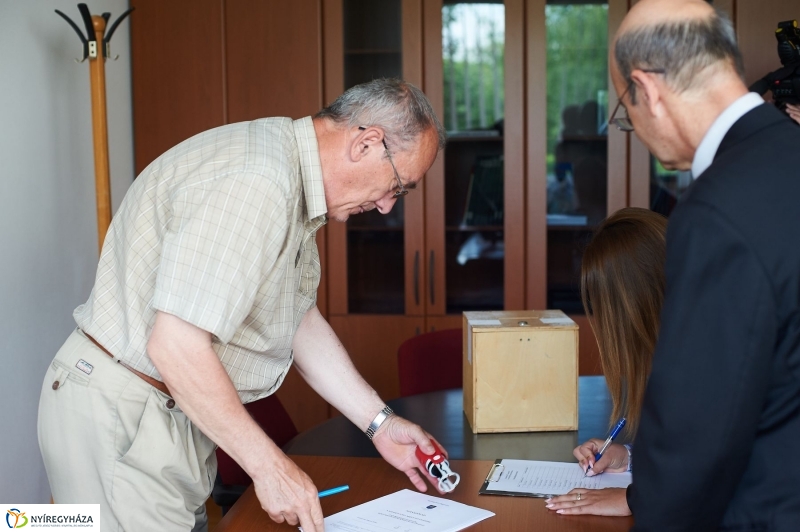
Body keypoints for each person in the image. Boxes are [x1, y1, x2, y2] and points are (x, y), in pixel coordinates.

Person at [37, 78, 448, 532]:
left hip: (160, 412)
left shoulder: (287, 174)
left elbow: (296, 322)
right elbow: (176, 346)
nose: (389, 205)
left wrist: (381, 424)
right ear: (367, 142)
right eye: (398, 184)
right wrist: (271, 468)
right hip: (125, 413)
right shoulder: (259, 180)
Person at [554, 1, 800, 529]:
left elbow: (702, 423)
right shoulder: (787, 158)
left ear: (648, 90)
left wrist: (646, 501)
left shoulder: (717, 208)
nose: (636, 129)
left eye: (627, 110)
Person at [545, 207, 667, 517]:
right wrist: (627, 457)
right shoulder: (681, 347)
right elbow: (693, 453)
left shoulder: (707, 359)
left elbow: (724, 470)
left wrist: (633, 499)